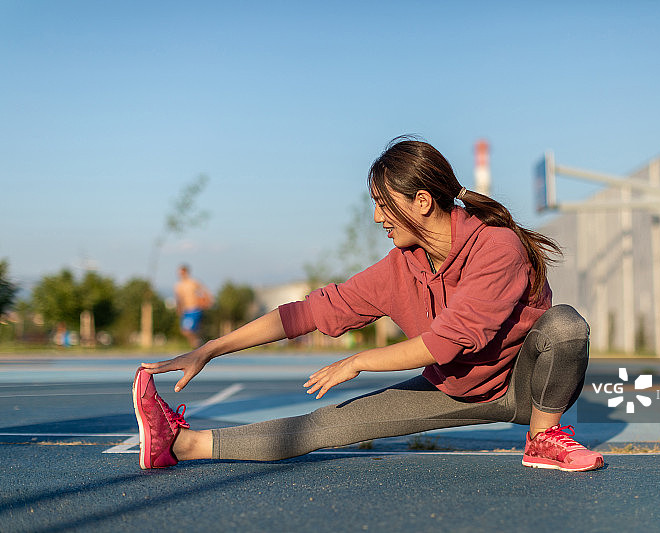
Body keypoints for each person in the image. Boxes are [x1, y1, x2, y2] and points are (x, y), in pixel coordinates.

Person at [134, 137, 603, 472]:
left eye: (383, 203)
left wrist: (359, 360)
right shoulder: (400, 267)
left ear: (422, 201)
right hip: (456, 388)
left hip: (523, 382)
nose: (377, 217)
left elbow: (449, 340)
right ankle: (181, 444)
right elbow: (307, 312)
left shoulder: (497, 247)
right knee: (322, 425)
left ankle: (543, 436)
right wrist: (211, 348)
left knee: (564, 327)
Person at [174, 264, 212, 349]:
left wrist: (207, 301)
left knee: (188, 330)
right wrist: (179, 309)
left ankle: (198, 344)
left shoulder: (193, 282)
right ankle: (197, 345)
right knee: (185, 331)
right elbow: (178, 299)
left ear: (186, 272)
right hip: (186, 311)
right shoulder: (178, 286)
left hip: (195, 309)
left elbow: (204, 290)